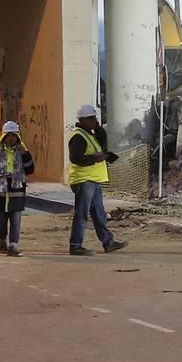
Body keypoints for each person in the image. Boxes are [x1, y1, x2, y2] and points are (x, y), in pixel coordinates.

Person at [66, 103, 125, 256]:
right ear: (84, 119)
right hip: (84, 180)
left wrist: (98, 128)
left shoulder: (89, 133)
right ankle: (75, 245)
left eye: (95, 119)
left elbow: (103, 143)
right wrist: (97, 158)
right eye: (92, 119)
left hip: (93, 180)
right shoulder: (78, 136)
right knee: (82, 213)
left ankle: (108, 242)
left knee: (99, 213)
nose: (95, 121)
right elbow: (76, 158)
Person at [0, 121, 35, 256]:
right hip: (0, 191)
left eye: (13, 135)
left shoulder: (23, 151)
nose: (11, 138)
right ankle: (2, 242)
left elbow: (30, 169)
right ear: (4, 136)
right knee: (1, 218)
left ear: (17, 136)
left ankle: (13, 245)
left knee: (16, 219)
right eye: (8, 135)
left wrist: (25, 155)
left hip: (16, 191)